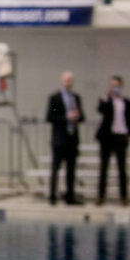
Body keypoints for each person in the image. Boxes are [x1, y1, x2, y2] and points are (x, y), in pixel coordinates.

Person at [95, 75, 130, 206]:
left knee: (122, 169)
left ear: (121, 86)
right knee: (103, 169)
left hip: (121, 137)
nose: (115, 88)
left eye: (117, 86)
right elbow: (100, 110)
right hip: (107, 138)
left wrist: (128, 134)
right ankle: (100, 196)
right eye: (113, 86)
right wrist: (106, 96)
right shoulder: (106, 101)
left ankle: (124, 197)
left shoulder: (127, 103)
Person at [46, 71, 85, 205]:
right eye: (66, 80)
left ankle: (70, 197)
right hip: (59, 139)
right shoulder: (55, 98)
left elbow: (82, 117)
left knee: (71, 170)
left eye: (70, 80)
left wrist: (77, 116)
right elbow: (50, 116)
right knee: (55, 169)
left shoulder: (76, 98)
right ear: (62, 81)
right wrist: (66, 117)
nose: (68, 82)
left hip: (72, 139)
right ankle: (52, 196)